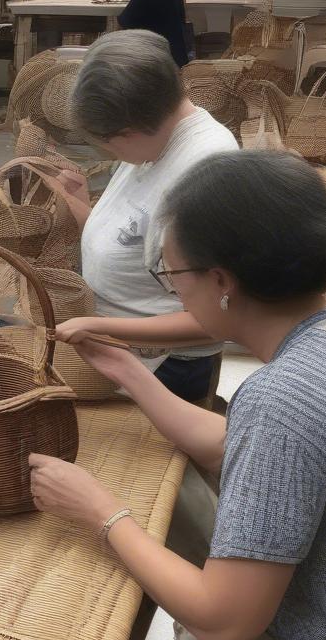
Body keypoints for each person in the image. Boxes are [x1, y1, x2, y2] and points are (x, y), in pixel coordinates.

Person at [1, 150, 326, 640]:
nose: (175, 294)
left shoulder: (285, 399)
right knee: (179, 489)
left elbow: (226, 623)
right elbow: (231, 446)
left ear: (223, 281)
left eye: (173, 276)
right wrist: (129, 373)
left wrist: (101, 513)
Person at [52, 30, 237, 402]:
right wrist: (78, 203)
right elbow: (136, 243)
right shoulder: (158, 139)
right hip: (117, 348)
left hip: (165, 368)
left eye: (106, 140)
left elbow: (218, 318)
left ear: (130, 128)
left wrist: (97, 326)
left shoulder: (205, 173)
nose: (107, 150)